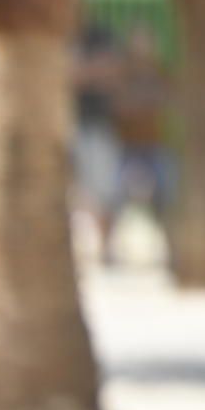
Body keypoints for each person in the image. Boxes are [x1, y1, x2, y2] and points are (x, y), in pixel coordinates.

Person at [110, 25, 174, 253]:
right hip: (127, 146)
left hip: (154, 144)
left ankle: (170, 250)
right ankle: (111, 248)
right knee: (115, 197)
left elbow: (166, 101)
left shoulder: (159, 71)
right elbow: (120, 106)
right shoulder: (123, 73)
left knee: (166, 197)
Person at [72, 17, 122, 262]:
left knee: (104, 189)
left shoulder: (99, 35)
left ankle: (106, 248)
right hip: (66, 124)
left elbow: (112, 72)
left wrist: (80, 71)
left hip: (97, 124)